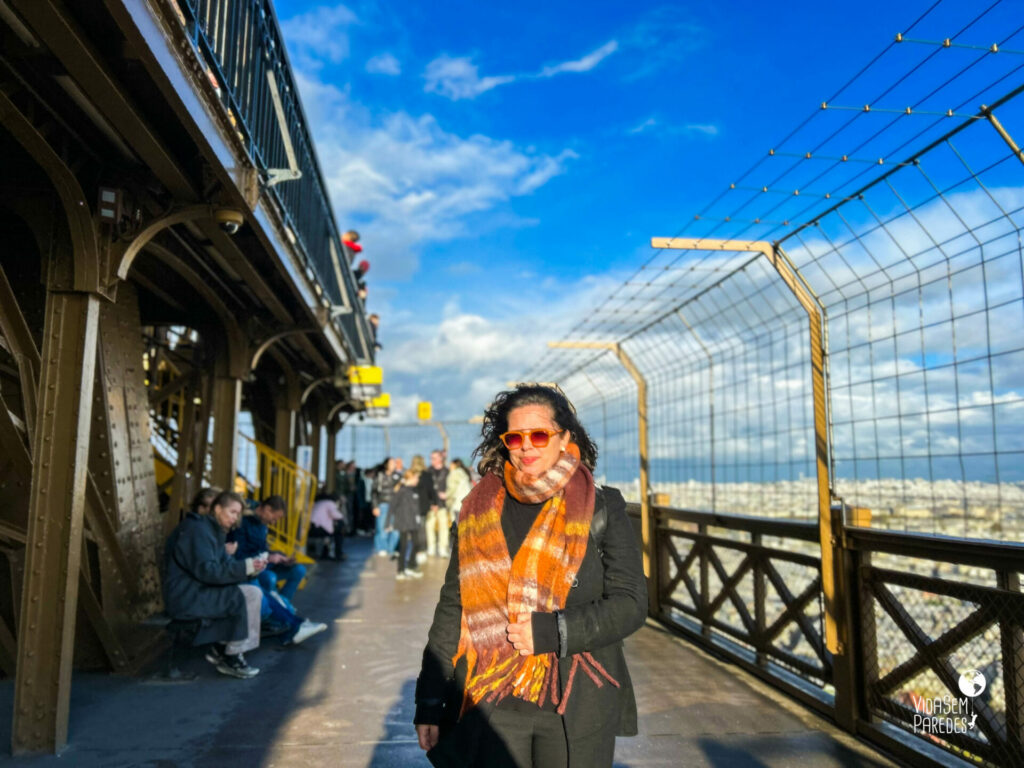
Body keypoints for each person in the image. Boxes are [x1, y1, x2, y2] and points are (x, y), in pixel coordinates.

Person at [414, 384, 647, 767]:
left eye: (539, 434)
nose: (527, 446)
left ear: (565, 437)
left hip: (575, 699)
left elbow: (631, 603)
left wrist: (555, 631)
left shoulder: (601, 508)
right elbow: (452, 608)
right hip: (489, 700)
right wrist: (429, 700)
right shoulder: (478, 511)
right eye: (515, 437)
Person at [163, 490, 267, 679]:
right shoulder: (198, 530)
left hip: (198, 589)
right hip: (186, 595)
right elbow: (207, 571)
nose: (235, 518)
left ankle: (228, 650)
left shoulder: (211, 530)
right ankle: (231, 655)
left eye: (238, 514)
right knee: (243, 596)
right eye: (232, 512)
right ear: (218, 509)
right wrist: (244, 567)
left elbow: (222, 566)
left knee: (252, 592)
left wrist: (251, 568)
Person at [229, 496, 305, 601]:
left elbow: (262, 549)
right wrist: (268, 557)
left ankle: (284, 604)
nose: (273, 522)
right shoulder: (243, 522)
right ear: (267, 509)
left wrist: (280, 557)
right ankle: (276, 609)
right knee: (270, 578)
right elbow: (239, 554)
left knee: (299, 570)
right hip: (251, 566)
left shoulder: (262, 524)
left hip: (263, 563)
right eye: (274, 518)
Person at [387, 469, 424, 580]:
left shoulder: (414, 491)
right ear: (411, 478)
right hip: (403, 522)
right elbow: (392, 507)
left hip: (413, 522)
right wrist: (387, 523)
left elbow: (415, 508)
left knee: (417, 543)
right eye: (416, 478)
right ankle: (400, 570)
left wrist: (418, 519)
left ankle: (411, 566)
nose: (418, 480)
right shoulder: (401, 491)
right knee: (403, 547)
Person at [410, 454, 436, 564]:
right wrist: (434, 503)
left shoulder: (410, 474)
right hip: (424, 505)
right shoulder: (427, 475)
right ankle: (422, 551)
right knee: (422, 528)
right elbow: (432, 490)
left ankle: (417, 550)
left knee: (415, 529)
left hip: (412, 505)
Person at [372, 458, 402, 557]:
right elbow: (374, 492)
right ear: (386, 465)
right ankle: (382, 548)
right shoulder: (380, 476)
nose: (394, 465)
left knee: (396, 529)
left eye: (395, 463)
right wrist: (375, 506)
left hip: (396, 505)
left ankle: (391, 548)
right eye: (392, 463)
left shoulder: (398, 476)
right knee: (382, 528)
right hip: (383, 504)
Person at [424, 450, 450, 558]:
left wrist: (447, 494)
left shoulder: (447, 471)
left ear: (440, 459)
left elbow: (452, 487)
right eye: (431, 458)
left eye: (434, 458)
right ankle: (431, 547)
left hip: (443, 504)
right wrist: (430, 503)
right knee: (429, 526)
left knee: (443, 527)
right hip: (430, 504)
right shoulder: (427, 471)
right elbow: (425, 489)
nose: (432, 460)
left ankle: (443, 548)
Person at [309, 490, 346, 561]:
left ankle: (325, 553)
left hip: (311, 527)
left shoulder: (318, 502)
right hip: (318, 528)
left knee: (332, 533)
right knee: (339, 533)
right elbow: (337, 516)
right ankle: (338, 554)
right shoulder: (330, 503)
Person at [445, 458, 472, 523]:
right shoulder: (464, 473)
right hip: (466, 503)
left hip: (457, 503)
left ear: (454, 465)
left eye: (450, 464)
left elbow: (452, 488)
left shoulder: (454, 473)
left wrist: (446, 495)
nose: (449, 466)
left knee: (456, 525)